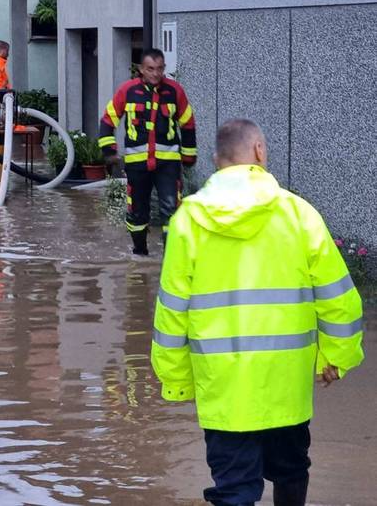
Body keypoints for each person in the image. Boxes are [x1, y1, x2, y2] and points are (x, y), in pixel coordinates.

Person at [151, 119, 364, 506]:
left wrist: (177, 379)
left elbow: (171, 310)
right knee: (291, 470)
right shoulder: (299, 214)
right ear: (261, 152)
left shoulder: (187, 222)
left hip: (224, 391)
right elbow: (339, 298)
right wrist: (337, 357)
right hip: (287, 385)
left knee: (234, 489)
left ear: (217, 161)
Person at [98, 48, 197, 255]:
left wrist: (188, 156)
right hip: (137, 165)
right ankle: (140, 254)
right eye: (150, 69)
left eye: (160, 69)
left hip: (168, 164)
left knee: (172, 210)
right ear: (141, 69)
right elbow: (108, 120)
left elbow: (188, 123)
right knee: (137, 211)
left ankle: (171, 258)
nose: (155, 74)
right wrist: (109, 151)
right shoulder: (128, 91)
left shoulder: (174, 91)